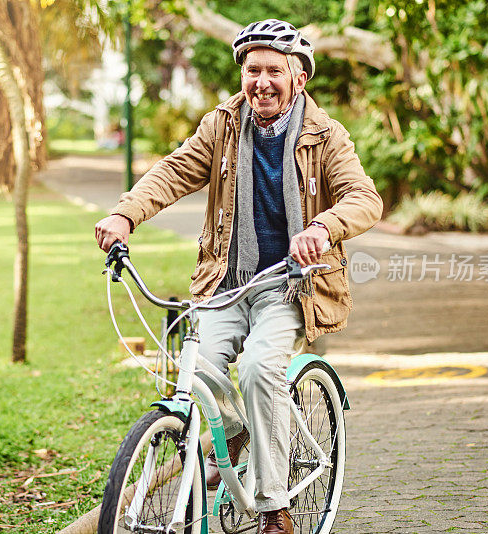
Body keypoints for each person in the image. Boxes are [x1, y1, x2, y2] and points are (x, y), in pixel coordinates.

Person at [95, 19, 382, 534]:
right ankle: (237, 435)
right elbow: (173, 171)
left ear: (298, 78)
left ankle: (275, 509)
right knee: (194, 368)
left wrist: (323, 226)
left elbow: (365, 197)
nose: (262, 81)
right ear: (242, 74)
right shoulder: (223, 124)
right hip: (227, 282)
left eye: (275, 70)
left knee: (256, 370)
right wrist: (125, 214)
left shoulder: (326, 135)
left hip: (291, 285)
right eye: (253, 70)